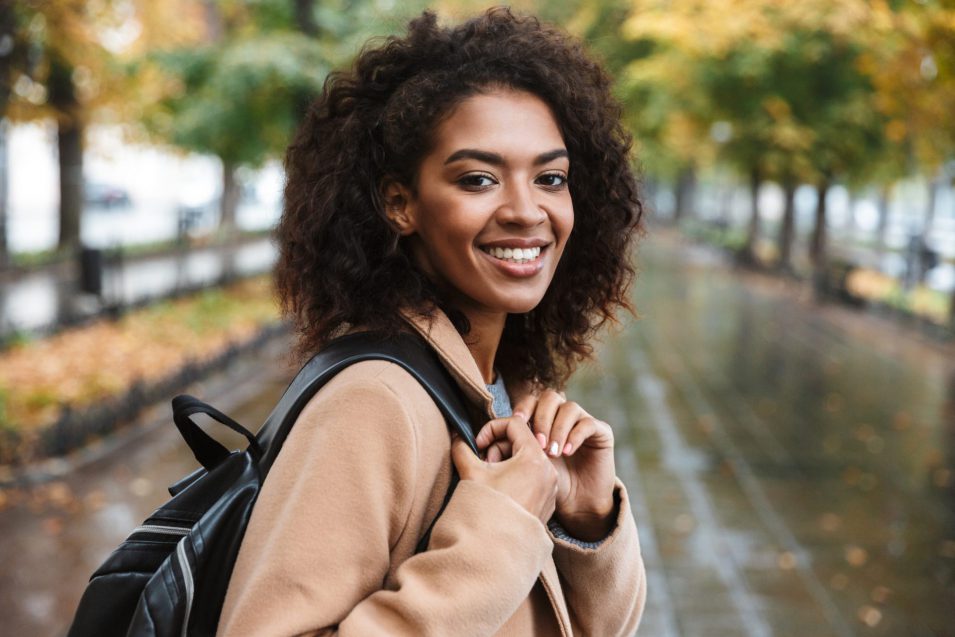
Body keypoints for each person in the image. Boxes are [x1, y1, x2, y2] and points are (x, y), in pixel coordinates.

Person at [218, 8, 646, 636]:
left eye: (550, 178)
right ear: (400, 204)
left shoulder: (504, 389)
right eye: (478, 180)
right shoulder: (374, 402)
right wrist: (495, 532)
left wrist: (584, 520)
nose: (528, 211)